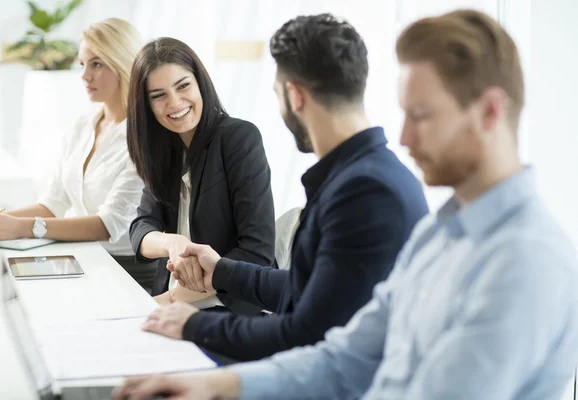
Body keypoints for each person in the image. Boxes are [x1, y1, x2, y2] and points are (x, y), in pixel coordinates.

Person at [113, 10, 578, 400]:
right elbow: (343, 356)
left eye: (421, 116)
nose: (404, 137)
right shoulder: (441, 234)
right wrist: (218, 384)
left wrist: (199, 332)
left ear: (490, 112)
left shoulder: (525, 260)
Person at [136, 14, 428, 362]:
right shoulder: (359, 177)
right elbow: (307, 291)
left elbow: (307, 333)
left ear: (294, 96)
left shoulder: (364, 190)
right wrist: (221, 270)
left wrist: (193, 325)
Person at [0, 19, 151, 287]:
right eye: (82, 64)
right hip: (82, 256)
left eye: (97, 64)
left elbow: (108, 226)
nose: (84, 76)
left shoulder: (143, 139)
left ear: (123, 63)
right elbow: (53, 203)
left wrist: (21, 227)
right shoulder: (82, 127)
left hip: (127, 271)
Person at [126, 38, 275, 313]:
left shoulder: (238, 138)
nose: (175, 102)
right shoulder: (163, 151)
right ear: (146, 105)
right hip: (174, 301)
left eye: (183, 86)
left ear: (200, 83)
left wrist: (172, 299)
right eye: (158, 95)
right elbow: (140, 230)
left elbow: (257, 250)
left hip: (231, 304)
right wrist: (172, 242)